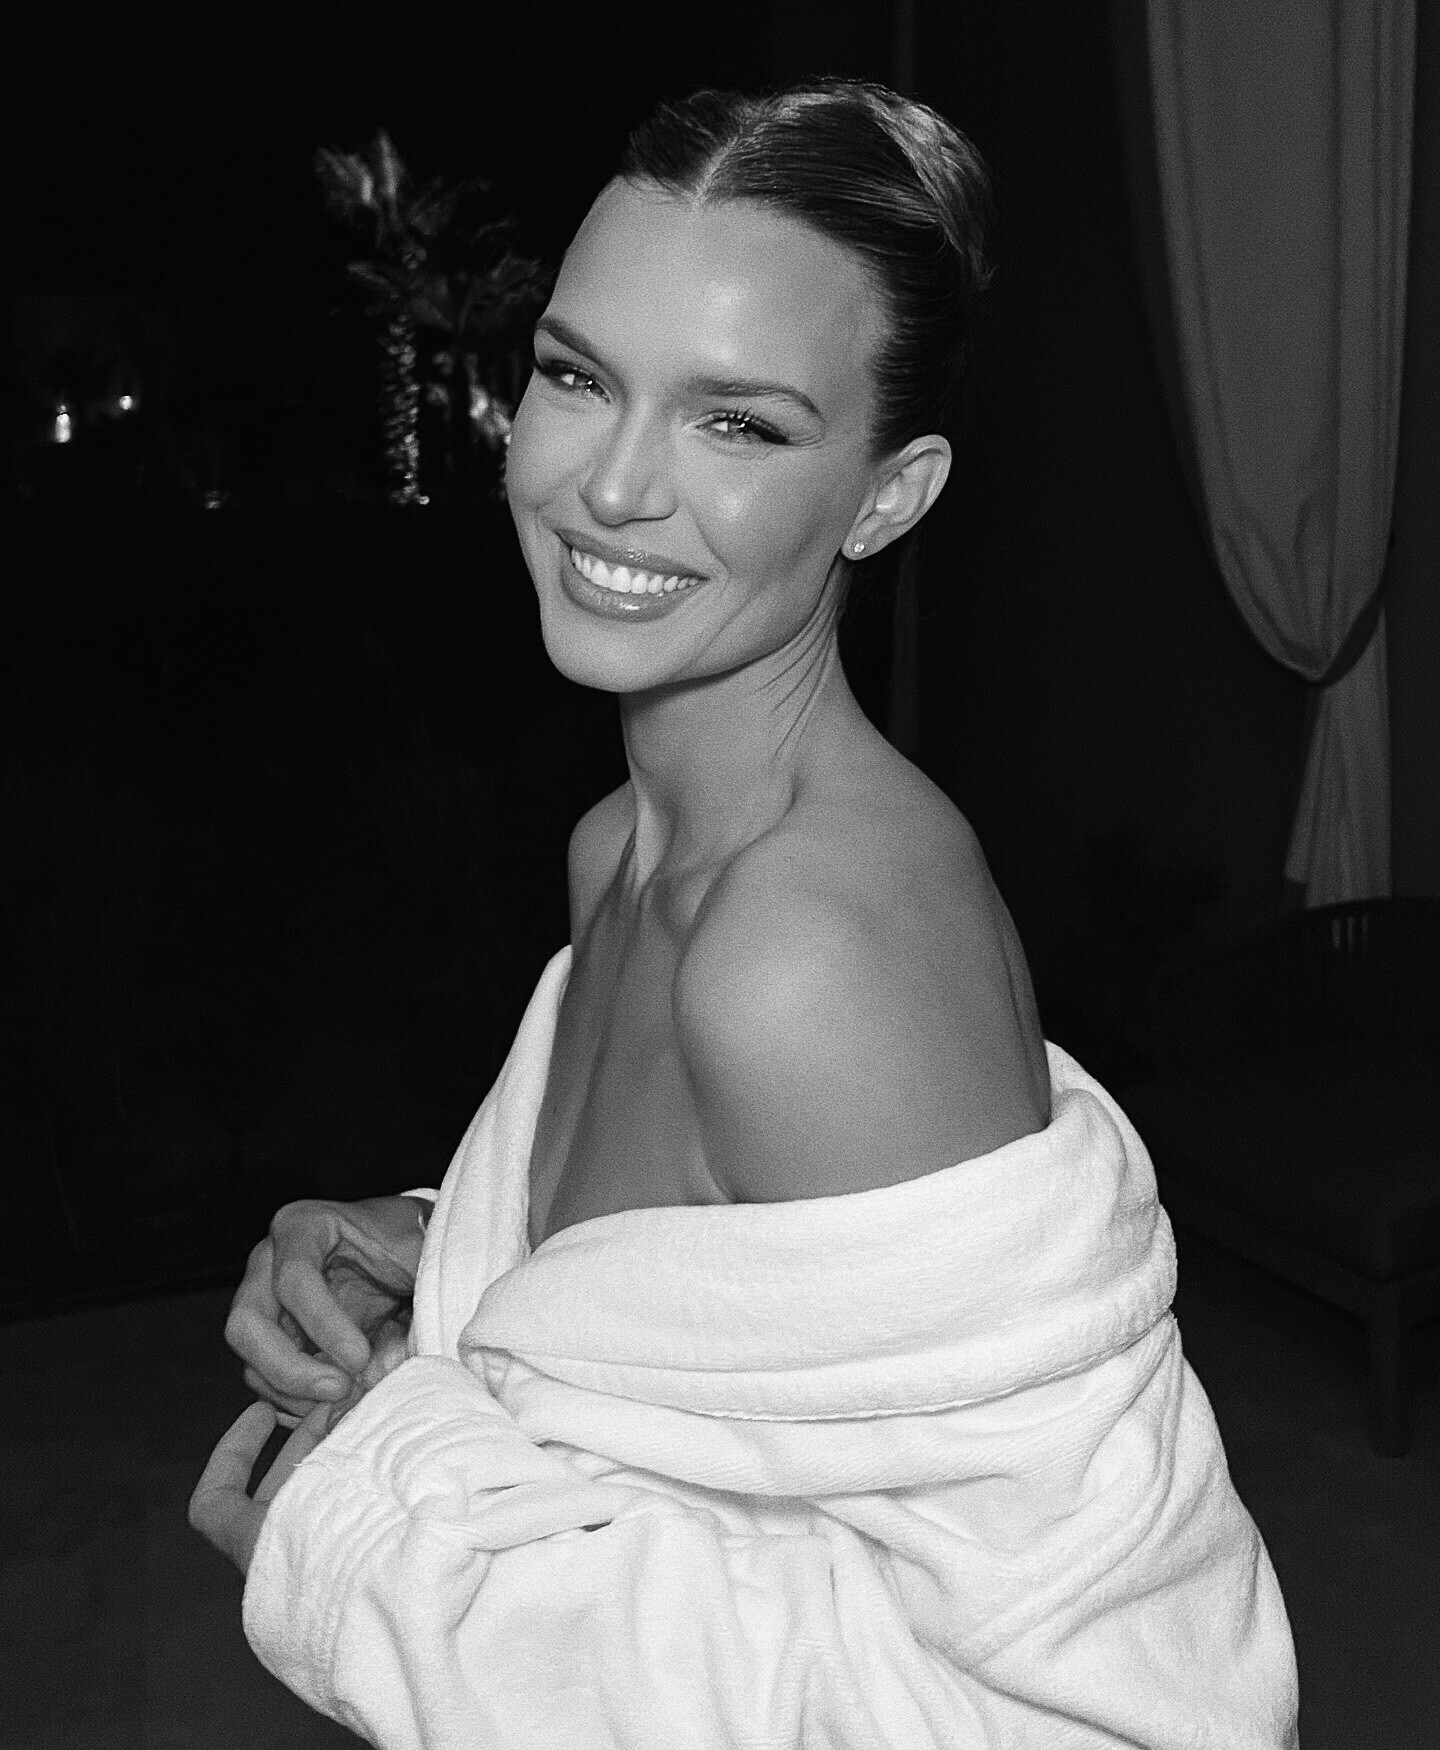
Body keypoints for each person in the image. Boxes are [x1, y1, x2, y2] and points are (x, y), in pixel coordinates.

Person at [191, 80, 1298, 1749]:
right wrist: (442, 1252)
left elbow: (1117, 1715)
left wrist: (373, 1538)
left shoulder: (805, 958)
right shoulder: (617, 849)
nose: (611, 485)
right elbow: (725, 1333)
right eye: (579, 376)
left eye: (740, 424)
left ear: (888, 494)